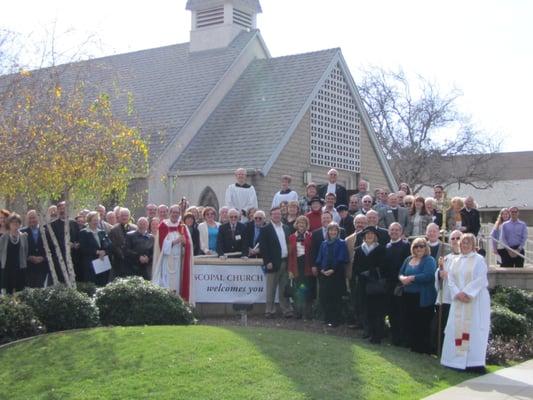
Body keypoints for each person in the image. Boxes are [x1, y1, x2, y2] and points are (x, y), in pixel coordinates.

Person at [441, 234, 490, 372]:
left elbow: (480, 279)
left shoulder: (479, 260)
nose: (465, 245)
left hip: (475, 300)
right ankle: (453, 362)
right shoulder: (455, 260)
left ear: (473, 245)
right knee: (455, 328)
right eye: (463, 243)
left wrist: (467, 292)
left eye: (468, 243)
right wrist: (457, 293)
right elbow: (450, 278)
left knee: (473, 328)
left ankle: (473, 363)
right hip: (458, 300)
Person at [399, 237, 437, 354]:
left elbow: (429, 276)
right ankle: (412, 344)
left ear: (426, 247)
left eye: (422, 246)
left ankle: (422, 347)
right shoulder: (408, 259)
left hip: (422, 297)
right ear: (413, 248)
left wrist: (412, 278)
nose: (419, 248)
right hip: (408, 295)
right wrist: (402, 278)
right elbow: (401, 272)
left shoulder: (429, 260)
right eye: (416, 246)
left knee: (422, 323)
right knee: (410, 321)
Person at [152, 204, 194, 302]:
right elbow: (162, 246)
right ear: (169, 213)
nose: (175, 214)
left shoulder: (182, 226)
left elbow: (188, 244)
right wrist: (176, 241)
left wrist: (185, 243)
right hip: (167, 261)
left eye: (177, 213)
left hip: (179, 261)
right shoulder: (163, 226)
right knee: (167, 284)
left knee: (178, 283)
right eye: (173, 212)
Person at [352, 226, 387, 342]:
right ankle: (367, 330)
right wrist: (360, 274)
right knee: (364, 307)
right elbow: (355, 266)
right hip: (362, 283)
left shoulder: (381, 249)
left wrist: (371, 272)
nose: (369, 235)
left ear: (375, 236)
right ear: (364, 236)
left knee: (375, 309)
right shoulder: (358, 250)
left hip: (374, 284)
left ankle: (377, 332)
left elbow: (383, 267)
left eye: (372, 234)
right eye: (367, 234)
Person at [259, 207, 293, 318]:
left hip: (285, 261)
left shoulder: (286, 228)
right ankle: (269, 311)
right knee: (271, 288)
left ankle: (286, 310)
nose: (277, 216)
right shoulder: (265, 229)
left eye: (278, 214)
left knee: (284, 289)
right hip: (272, 263)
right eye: (274, 214)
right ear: (270, 215)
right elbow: (263, 248)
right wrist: (267, 261)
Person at [315, 222, 349, 327]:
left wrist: (333, 270)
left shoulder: (342, 243)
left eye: (335, 230)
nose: (333, 232)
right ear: (328, 232)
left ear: (338, 232)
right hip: (324, 274)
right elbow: (319, 258)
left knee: (336, 298)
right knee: (325, 297)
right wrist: (321, 269)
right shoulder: (324, 243)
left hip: (336, 274)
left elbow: (342, 258)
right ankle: (327, 318)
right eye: (331, 230)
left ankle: (335, 320)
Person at [434, 230, 462, 355]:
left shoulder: (468, 259)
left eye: (458, 238)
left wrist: (448, 275)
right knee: (442, 326)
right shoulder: (445, 259)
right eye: (453, 238)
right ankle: (442, 351)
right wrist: (439, 273)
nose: (455, 241)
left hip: (459, 299)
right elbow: (438, 279)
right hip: (445, 298)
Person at [384, 222, 411, 346]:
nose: (394, 232)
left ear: (401, 232)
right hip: (389, 284)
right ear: (389, 232)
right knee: (391, 312)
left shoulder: (406, 246)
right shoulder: (387, 246)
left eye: (396, 230)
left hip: (401, 285)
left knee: (401, 313)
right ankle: (394, 338)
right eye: (392, 230)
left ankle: (402, 339)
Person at [288, 215, 314, 319]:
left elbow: (312, 252)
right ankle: (297, 313)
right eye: (299, 223)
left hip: (307, 266)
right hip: (296, 266)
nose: (301, 225)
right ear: (296, 225)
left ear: (306, 225)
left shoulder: (310, 236)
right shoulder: (291, 237)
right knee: (297, 290)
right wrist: (290, 270)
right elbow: (290, 255)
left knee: (306, 290)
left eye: (303, 223)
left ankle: (307, 313)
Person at [49, 201, 81, 283]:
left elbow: (78, 237)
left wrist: (76, 244)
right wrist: (66, 245)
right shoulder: (53, 225)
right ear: (57, 211)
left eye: (64, 208)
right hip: (60, 258)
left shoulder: (73, 223)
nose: (62, 211)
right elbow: (52, 242)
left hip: (74, 257)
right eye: (60, 209)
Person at [79, 211, 112, 285]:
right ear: (89, 221)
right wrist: (97, 252)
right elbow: (83, 248)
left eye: (97, 220)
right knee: (92, 283)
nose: (96, 222)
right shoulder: (83, 233)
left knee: (103, 283)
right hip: (90, 264)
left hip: (102, 262)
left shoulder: (102, 232)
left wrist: (104, 252)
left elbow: (109, 244)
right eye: (94, 220)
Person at [0, 213, 28, 294]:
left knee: (20, 292)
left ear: (20, 224)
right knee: (7, 293)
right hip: (7, 268)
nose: (15, 224)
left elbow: (26, 251)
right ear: (9, 224)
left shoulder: (24, 236)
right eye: (12, 222)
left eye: (17, 222)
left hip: (20, 268)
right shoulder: (3, 237)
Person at [22, 210, 49, 288]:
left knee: (40, 290)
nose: (32, 220)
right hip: (28, 267)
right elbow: (20, 250)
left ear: (38, 218)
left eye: (33, 218)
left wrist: (43, 258)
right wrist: (28, 257)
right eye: (29, 218)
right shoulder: (22, 232)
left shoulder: (46, 231)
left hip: (42, 266)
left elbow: (51, 248)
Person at [109, 208, 137, 278]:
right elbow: (113, 245)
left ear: (129, 217)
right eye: (122, 215)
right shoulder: (113, 230)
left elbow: (137, 244)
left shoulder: (135, 228)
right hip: (119, 262)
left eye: (126, 215)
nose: (124, 217)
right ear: (119, 216)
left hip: (133, 262)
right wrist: (122, 255)